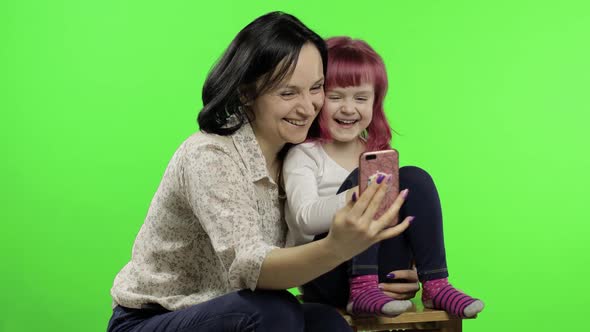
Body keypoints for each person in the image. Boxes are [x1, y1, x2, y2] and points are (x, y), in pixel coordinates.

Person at [107, 13, 413, 332]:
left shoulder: (302, 157)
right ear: (246, 93)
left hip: (243, 311)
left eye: (317, 88)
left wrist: (389, 271)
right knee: (276, 310)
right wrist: (339, 246)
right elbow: (251, 268)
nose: (308, 106)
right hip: (154, 318)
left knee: (326, 322)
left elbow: (320, 242)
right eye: (287, 93)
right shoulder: (211, 154)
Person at [283, 36, 484, 318]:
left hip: (379, 273)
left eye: (361, 98)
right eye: (335, 96)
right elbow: (304, 219)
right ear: (317, 98)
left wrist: (410, 270)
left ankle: (436, 284)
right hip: (326, 272)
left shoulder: (375, 154)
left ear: (375, 103)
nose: (348, 108)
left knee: (415, 177)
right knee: (366, 177)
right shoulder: (305, 155)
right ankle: (362, 288)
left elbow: (396, 223)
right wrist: (361, 195)